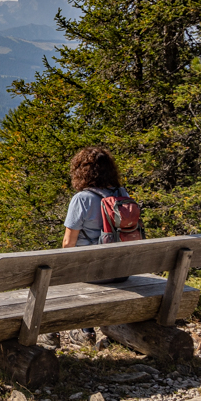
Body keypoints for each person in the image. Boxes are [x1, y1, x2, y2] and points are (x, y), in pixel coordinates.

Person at [60, 146, 131, 351]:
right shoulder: (122, 194)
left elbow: (68, 243)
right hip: (122, 271)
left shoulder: (82, 199)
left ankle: (85, 331)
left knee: (64, 274)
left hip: (93, 273)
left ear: (80, 172)